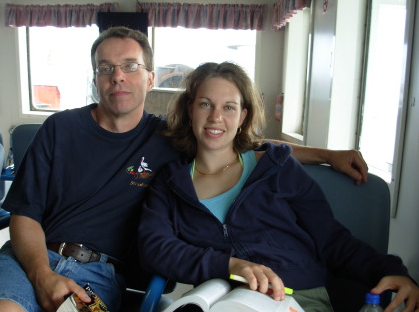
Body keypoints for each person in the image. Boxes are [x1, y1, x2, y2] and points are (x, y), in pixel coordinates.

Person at [0, 27, 369, 312]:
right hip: (29, 260)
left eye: (129, 66)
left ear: (150, 77)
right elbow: (24, 213)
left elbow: (251, 144)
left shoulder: (168, 138)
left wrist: (327, 154)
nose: (118, 77)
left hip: (101, 274)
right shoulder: (60, 128)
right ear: (95, 79)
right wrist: (41, 274)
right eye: (106, 68)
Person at [138, 62, 419, 312]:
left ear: (243, 116)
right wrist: (230, 265)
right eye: (205, 104)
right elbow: (155, 247)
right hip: (219, 297)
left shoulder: (276, 169)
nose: (216, 117)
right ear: (190, 109)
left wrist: (392, 270)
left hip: (295, 296)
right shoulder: (170, 182)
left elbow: (333, 241)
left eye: (229, 107)